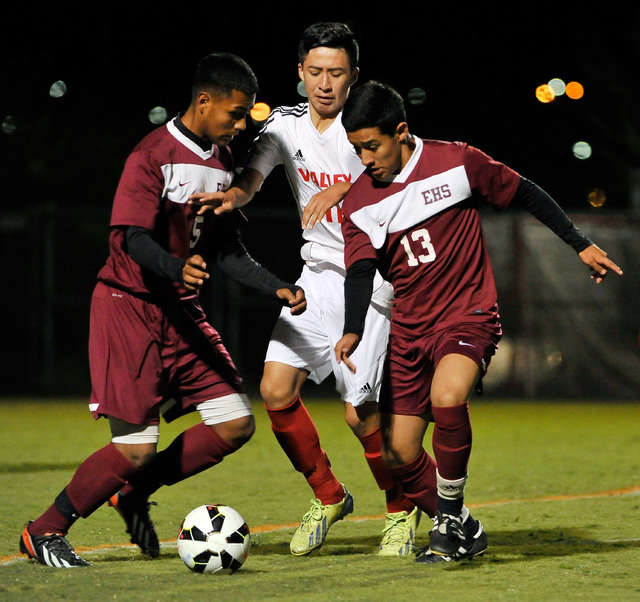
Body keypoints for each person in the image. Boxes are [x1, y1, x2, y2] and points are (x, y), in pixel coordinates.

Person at [19, 52, 307, 568]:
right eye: (235, 114)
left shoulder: (220, 162)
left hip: (181, 313)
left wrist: (275, 285)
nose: (242, 126)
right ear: (204, 101)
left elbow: (221, 249)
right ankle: (43, 530)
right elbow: (130, 239)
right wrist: (175, 270)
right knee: (134, 449)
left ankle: (130, 492)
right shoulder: (150, 155)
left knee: (234, 423)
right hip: (128, 308)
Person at [335, 80, 623, 564]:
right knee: (400, 452)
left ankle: (446, 527)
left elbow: (525, 192)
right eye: (356, 149)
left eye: (372, 145)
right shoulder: (360, 202)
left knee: (447, 398)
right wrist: (353, 327)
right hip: (409, 330)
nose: (365, 158)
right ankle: (465, 526)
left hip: (467, 314)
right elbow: (361, 270)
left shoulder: (458, 162)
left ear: (402, 131)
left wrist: (579, 243)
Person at [189, 23, 422, 557]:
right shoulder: (286, 127)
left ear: (354, 76)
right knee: (274, 390)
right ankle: (328, 494)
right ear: (299, 73)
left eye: (336, 73)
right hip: (316, 276)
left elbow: (402, 172)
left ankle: (398, 509)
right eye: (315, 71)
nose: (325, 83)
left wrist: (344, 185)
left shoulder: (369, 123)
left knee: (359, 413)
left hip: (370, 282)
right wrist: (234, 196)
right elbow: (254, 175)